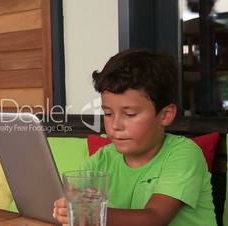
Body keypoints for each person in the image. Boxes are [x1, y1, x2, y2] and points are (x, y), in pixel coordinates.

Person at [53, 49, 217, 226]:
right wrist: (68, 211)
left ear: (165, 115)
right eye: (108, 114)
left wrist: (90, 213)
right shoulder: (100, 160)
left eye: (130, 114)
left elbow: (156, 218)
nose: (115, 125)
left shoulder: (184, 154)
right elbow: (76, 206)